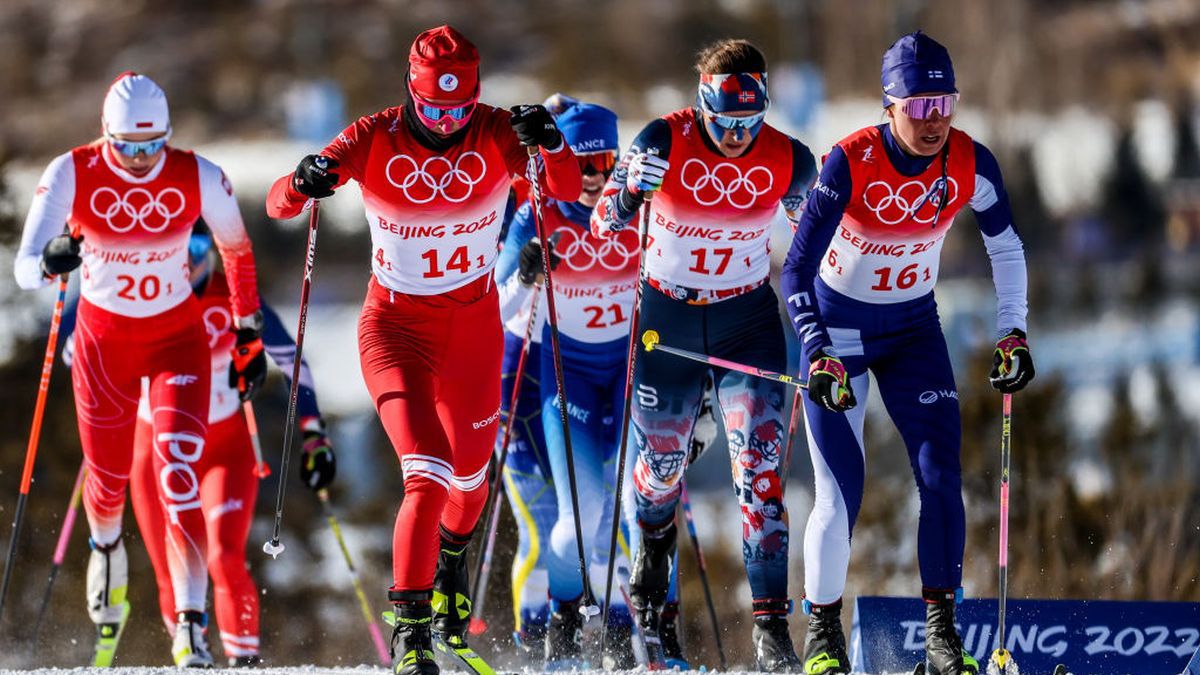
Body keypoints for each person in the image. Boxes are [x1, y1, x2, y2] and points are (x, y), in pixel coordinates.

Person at [266, 25, 581, 675]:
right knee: (429, 471)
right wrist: (302, 180)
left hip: (473, 332)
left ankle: (450, 571)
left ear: (475, 95)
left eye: (458, 109)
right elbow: (278, 205)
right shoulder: (373, 137)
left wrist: (550, 143)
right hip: (395, 332)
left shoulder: (496, 132)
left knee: (470, 484)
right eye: (433, 110)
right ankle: (411, 634)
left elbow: (568, 192)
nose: (445, 122)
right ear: (410, 92)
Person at [780, 31, 1035, 675]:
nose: (935, 120)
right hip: (838, 335)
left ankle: (943, 639)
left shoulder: (971, 161)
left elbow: (1005, 247)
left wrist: (1014, 331)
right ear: (888, 105)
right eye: (919, 107)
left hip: (915, 333)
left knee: (942, 477)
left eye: (945, 103)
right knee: (840, 495)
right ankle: (823, 638)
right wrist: (815, 351)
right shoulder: (850, 161)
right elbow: (796, 272)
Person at [14, 72, 266, 668]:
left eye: (153, 147)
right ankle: (105, 547)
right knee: (108, 486)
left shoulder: (198, 175)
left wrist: (248, 331)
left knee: (176, 468)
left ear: (168, 138)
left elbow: (237, 251)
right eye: (128, 148)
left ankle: (190, 630)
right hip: (105, 345)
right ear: (107, 137)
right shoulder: (71, 172)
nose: (141, 161)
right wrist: (51, 261)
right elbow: (26, 266)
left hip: (176, 340)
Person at [591, 39, 817, 671]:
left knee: (762, 473)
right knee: (660, 467)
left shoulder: (790, 160)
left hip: (747, 321)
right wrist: (630, 194)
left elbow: (821, 239)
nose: (738, 136)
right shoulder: (662, 140)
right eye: (724, 123)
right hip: (671, 324)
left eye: (750, 122)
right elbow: (603, 224)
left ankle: (772, 634)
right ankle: (651, 567)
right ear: (702, 106)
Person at [57, 224, 335, 667]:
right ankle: (192, 656)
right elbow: (76, 335)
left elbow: (292, 359)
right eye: (177, 248)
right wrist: (83, 343)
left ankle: (244, 661)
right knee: (170, 570)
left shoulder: (233, 298)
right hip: (154, 453)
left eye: (199, 247)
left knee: (223, 556)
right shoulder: (139, 299)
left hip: (224, 449)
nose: (188, 259)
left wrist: (313, 433)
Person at [497, 98, 645, 669]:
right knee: (551, 527)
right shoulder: (533, 211)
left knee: (629, 515)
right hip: (529, 383)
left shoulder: (638, 208)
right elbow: (497, 309)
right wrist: (527, 273)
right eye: (583, 164)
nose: (595, 177)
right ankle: (541, 644)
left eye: (606, 162)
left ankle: (627, 637)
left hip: (621, 379)